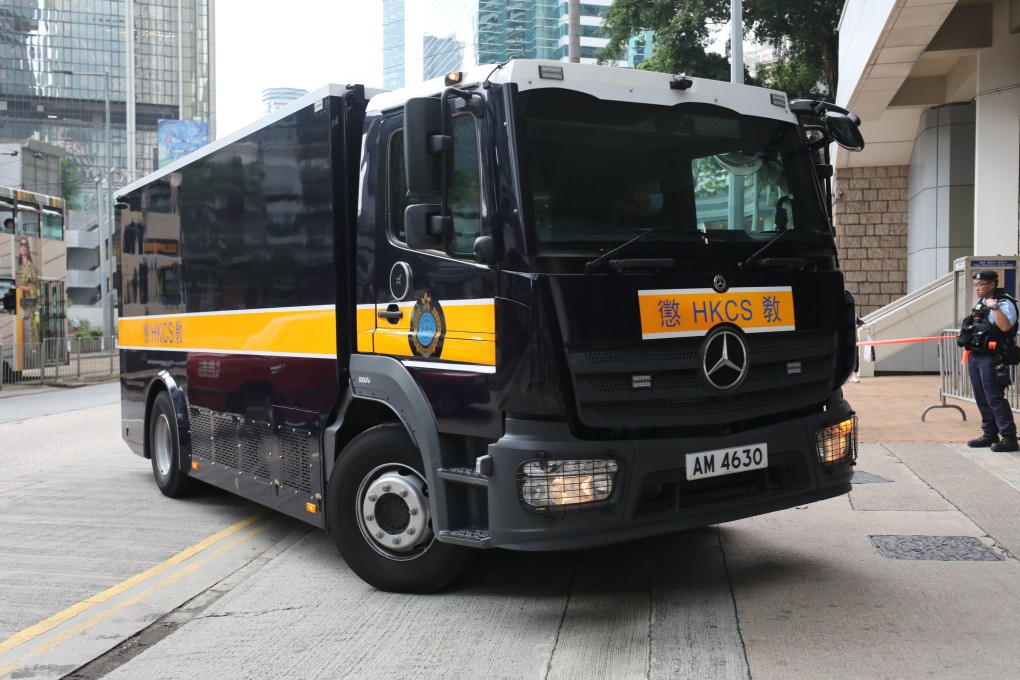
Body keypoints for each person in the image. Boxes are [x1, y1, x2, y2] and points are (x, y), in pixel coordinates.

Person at [963, 270, 1019, 452]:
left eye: (981, 285)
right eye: (976, 285)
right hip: (977, 355)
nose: (977, 289)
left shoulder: (1004, 302)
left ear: (992, 285)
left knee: (994, 397)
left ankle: (1009, 438)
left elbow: (1005, 326)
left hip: (994, 357)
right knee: (981, 397)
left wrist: (994, 307)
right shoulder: (981, 303)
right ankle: (989, 433)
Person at [852, 315, 871, 382]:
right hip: (844, 342)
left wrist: (866, 328)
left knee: (856, 358)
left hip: (855, 341)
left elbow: (860, 322)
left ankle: (855, 375)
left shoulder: (854, 315)